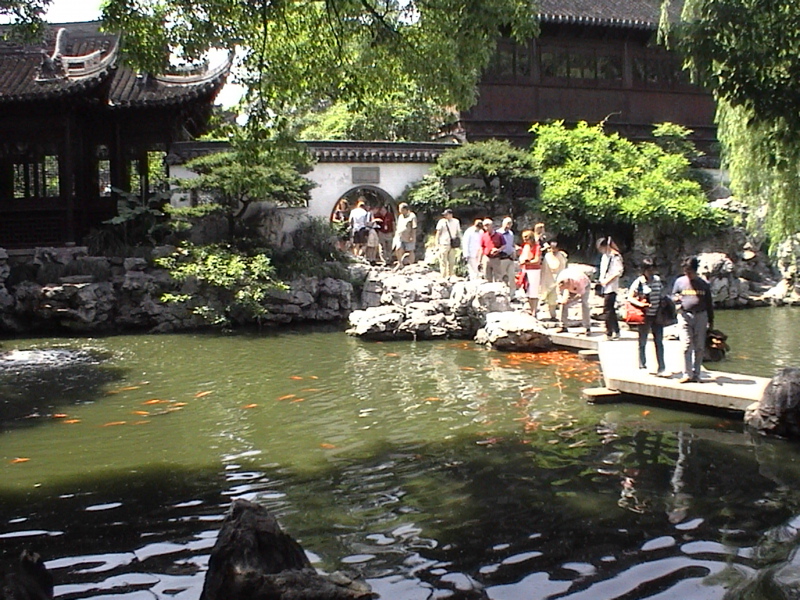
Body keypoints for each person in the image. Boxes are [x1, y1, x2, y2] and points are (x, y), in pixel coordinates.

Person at [672, 256, 714, 383]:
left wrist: (711, 321)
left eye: (689, 271)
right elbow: (673, 295)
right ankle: (687, 373)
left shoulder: (704, 284)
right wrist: (675, 299)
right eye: (685, 271)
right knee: (686, 345)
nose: (687, 274)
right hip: (684, 315)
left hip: (701, 316)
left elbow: (709, 304)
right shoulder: (679, 282)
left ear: (695, 270)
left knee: (700, 346)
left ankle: (697, 374)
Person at [628, 258, 667, 376]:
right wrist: (641, 304)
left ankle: (661, 366)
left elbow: (661, 294)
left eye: (652, 269)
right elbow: (630, 297)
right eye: (648, 270)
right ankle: (642, 363)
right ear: (643, 270)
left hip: (657, 314)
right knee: (642, 340)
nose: (651, 272)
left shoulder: (657, 280)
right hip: (645, 315)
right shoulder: (639, 282)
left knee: (659, 341)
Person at [597, 236, 624, 340]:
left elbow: (618, 272)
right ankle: (616, 331)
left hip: (611, 286)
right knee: (610, 310)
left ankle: (609, 332)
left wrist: (607, 281)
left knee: (607, 309)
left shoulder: (615, 257)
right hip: (604, 285)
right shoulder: (605, 256)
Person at [538, 234, 568, 321]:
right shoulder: (547, 256)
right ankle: (553, 316)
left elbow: (564, 266)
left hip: (561, 279)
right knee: (551, 299)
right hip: (549, 279)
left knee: (561, 298)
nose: (553, 249)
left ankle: (562, 318)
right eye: (551, 247)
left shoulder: (562, 256)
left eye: (555, 247)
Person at [555, 266, 591, 335]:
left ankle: (587, 327)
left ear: (568, 284)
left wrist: (571, 300)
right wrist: (560, 299)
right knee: (563, 304)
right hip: (571, 285)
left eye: (566, 287)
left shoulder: (579, 281)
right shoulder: (560, 278)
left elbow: (580, 295)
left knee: (584, 304)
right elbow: (558, 289)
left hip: (584, 285)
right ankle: (563, 325)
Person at [518, 229, 541, 315]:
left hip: (534, 271)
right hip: (526, 269)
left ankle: (534, 311)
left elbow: (537, 260)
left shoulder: (537, 247)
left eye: (526, 238)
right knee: (526, 289)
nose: (524, 240)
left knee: (533, 291)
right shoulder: (526, 247)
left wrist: (527, 262)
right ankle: (530, 309)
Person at [435, 208, 462, 278]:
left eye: (447, 214)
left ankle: (450, 275)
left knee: (452, 261)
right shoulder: (441, 222)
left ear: (451, 215)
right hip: (443, 243)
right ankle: (443, 275)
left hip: (453, 243)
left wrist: (460, 242)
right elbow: (438, 233)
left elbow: (458, 232)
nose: (445, 216)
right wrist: (437, 244)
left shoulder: (456, 222)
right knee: (443, 260)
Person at [497, 216, 517, 296]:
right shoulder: (498, 233)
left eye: (510, 223)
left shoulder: (511, 233)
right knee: (500, 277)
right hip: (501, 257)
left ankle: (512, 295)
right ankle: (501, 294)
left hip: (510, 257)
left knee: (512, 277)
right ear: (503, 224)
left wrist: (514, 251)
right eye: (507, 223)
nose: (509, 225)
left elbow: (511, 244)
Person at [480, 218, 504, 283]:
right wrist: (480, 260)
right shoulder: (483, 236)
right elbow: (482, 247)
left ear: (492, 225)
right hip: (486, 258)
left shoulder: (499, 235)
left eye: (488, 225)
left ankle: (499, 291)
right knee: (487, 276)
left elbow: (504, 245)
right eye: (485, 226)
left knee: (498, 277)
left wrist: (498, 250)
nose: (486, 227)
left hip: (496, 258)